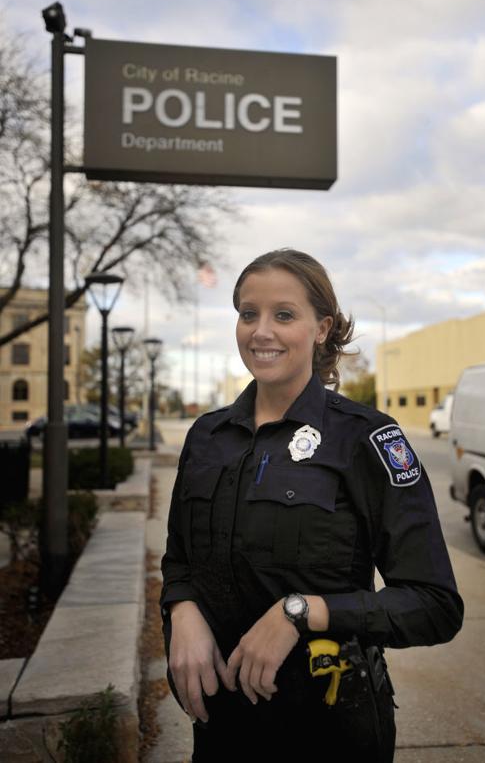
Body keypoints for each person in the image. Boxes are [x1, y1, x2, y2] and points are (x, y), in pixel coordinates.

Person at [159, 249, 463, 762]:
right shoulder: (207, 436)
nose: (261, 331)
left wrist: (301, 612)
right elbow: (179, 561)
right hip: (221, 726)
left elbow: (434, 604)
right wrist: (181, 610)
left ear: (321, 329)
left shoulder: (368, 439)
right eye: (248, 313)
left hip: (330, 726)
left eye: (284, 314)